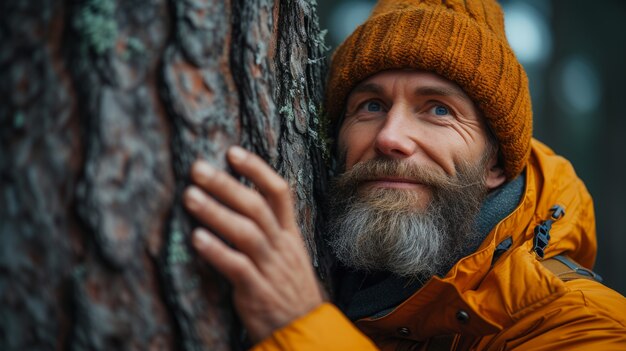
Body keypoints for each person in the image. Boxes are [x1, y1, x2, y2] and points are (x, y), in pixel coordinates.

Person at [182, 0, 626, 349]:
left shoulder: (580, 323)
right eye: (371, 106)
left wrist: (300, 329)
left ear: (495, 165)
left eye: (438, 109)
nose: (391, 137)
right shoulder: (343, 277)